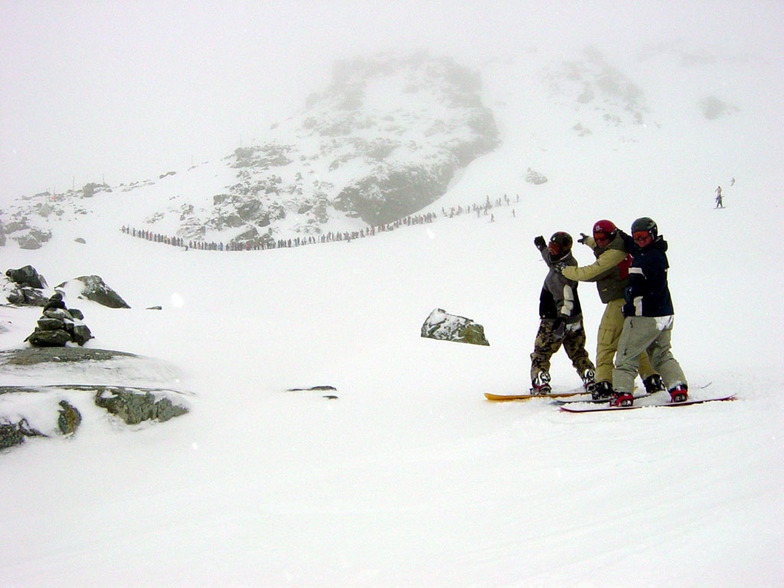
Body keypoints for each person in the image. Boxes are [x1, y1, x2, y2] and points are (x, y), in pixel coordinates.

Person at [561, 220, 665, 400]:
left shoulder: (614, 253)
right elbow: (602, 248)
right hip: (629, 301)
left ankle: (604, 383)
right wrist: (588, 241)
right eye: (597, 238)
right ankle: (651, 378)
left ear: (612, 236)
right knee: (632, 343)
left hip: (619, 302)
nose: (600, 241)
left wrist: (565, 270)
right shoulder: (617, 244)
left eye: (603, 238)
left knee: (606, 341)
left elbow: (590, 272)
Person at [611, 218, 688, 406]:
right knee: (661, 354)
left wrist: (632, 294)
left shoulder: (651, 257)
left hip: (644, 315)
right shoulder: (652, 251)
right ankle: (677, 386)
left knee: (626, 355)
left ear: (653, 234)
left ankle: (622, 393)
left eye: (643, 236)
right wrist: (621, 235)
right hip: (664, 314)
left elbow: (653, 285)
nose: (639, 240)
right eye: (636, 237)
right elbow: (636, 247)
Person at [530, 232, 595, 394]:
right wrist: (542, 248)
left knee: (542, 352)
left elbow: (565, 298)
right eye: (551, 247)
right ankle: (589, 374)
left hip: (555, 320)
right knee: (578, 351)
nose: (551, 251)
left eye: (555, 248)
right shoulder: (562, 261)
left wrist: (562, 319)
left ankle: (541, 378)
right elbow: (550, 259)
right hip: (575, 319)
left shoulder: (563, 272)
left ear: (564, 249)